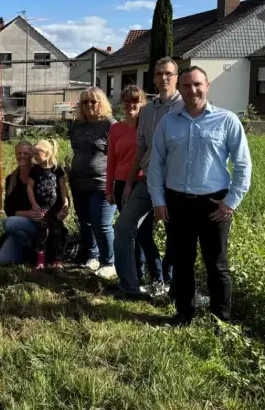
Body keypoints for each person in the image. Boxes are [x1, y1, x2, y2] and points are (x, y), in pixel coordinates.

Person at [149, 67, 252, 326]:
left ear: (207, 86)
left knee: (217, 266)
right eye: (185, 86)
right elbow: (156, 164)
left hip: (214, 204)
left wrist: (231, 202)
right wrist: (159, 201)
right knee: (182, 264)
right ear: (179, 89)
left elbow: (243, 165)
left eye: (197, 84)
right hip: (177, 203)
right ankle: (184, 315)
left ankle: (221, 321)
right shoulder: (168, 122)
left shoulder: (227, 121)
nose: (192, 90)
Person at [113, 58, 182, 299]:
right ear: (153, 78)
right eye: (160, 73)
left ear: (176, 77)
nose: (164, 78)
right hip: (147, 181)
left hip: (177, 185)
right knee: (122, 227)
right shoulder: (149, 110)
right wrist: (130, 181)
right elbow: (141, 147)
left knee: (177, 235)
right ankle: (129, 285)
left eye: (169, 74)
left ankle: (170, 284)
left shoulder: (186, 107)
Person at [106, 86, 161, 298]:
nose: (131, 106)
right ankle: (135, 277)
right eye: (127, 102)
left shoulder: (147, 127)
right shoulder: (116, 129)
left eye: (135, 102)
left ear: (143, 104)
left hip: (143, 183)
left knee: (144, 232)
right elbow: (111, 160)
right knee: (128, 233)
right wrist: (109, 188)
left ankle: (158, 277)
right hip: (121, 183)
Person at [67, 87, 116, 279]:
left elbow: (118, 155)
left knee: (101, 223)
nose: (89, 106)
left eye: (93, 102)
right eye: (85, 102)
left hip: (102, 183)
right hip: (78, 182)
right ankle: (92, 257)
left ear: (101, 103)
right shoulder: (78, 125)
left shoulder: (110, 125)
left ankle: (109, 262)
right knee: (85, 223)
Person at [0, 141, 43, 265]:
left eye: (26, 153)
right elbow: (8, 209)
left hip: (40, 224)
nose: (22, 156)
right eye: (19, 153)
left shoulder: (41, 174)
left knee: (10, 222)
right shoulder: (11, 179)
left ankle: (39, 246)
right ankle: (31, 247)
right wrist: (27, 214)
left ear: (32, 155)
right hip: (20, 224)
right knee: (3, 260)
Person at [26, 139, 69, 269]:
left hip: (55, 209)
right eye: (33, 154)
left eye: (36, 154)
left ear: (47, 153)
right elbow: (29, 188)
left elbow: (62, 188)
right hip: (41, 209)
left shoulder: (57, 170)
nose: (34, 157)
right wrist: (34, 204)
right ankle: (40, 261)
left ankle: (58, 260)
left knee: (57, 233)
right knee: (42, 234)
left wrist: (65, 202)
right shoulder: (35, 170)